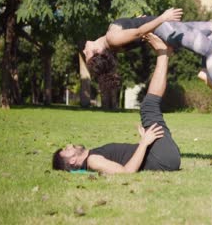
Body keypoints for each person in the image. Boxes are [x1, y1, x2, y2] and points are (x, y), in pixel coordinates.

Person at [52, 34, 180, 174]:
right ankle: (163, 52)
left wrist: (143, 141)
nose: (70, 145)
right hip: (162, 158)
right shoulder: (92, 161)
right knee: (148, 106)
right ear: (72, 161)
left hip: (160, 155)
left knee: (148, 107)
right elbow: (126, 171)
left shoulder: (93, 156)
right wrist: (144, 143)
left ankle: (164, 53)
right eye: (67, 150)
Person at [83, 8, 212, 114]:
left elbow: (136, 31)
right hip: (167, 30)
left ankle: (204, 70)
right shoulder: (113, 38)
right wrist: (162, 17)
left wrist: (138, 19)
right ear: (98, 52)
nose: (84, 51)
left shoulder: (113, 42)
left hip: (167, 29)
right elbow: (139, 32)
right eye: (87, 54)